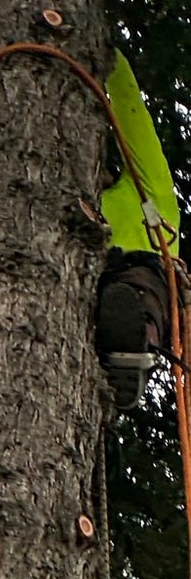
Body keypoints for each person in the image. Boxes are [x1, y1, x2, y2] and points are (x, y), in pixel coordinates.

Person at [97, 51, 181, 411]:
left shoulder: (147, 190)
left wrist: (107, 54)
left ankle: (133, 347)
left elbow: (133, 116)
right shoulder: (78, 200)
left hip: (140, 270)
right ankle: (121, 352)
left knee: (134, 294)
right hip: (85, 279)